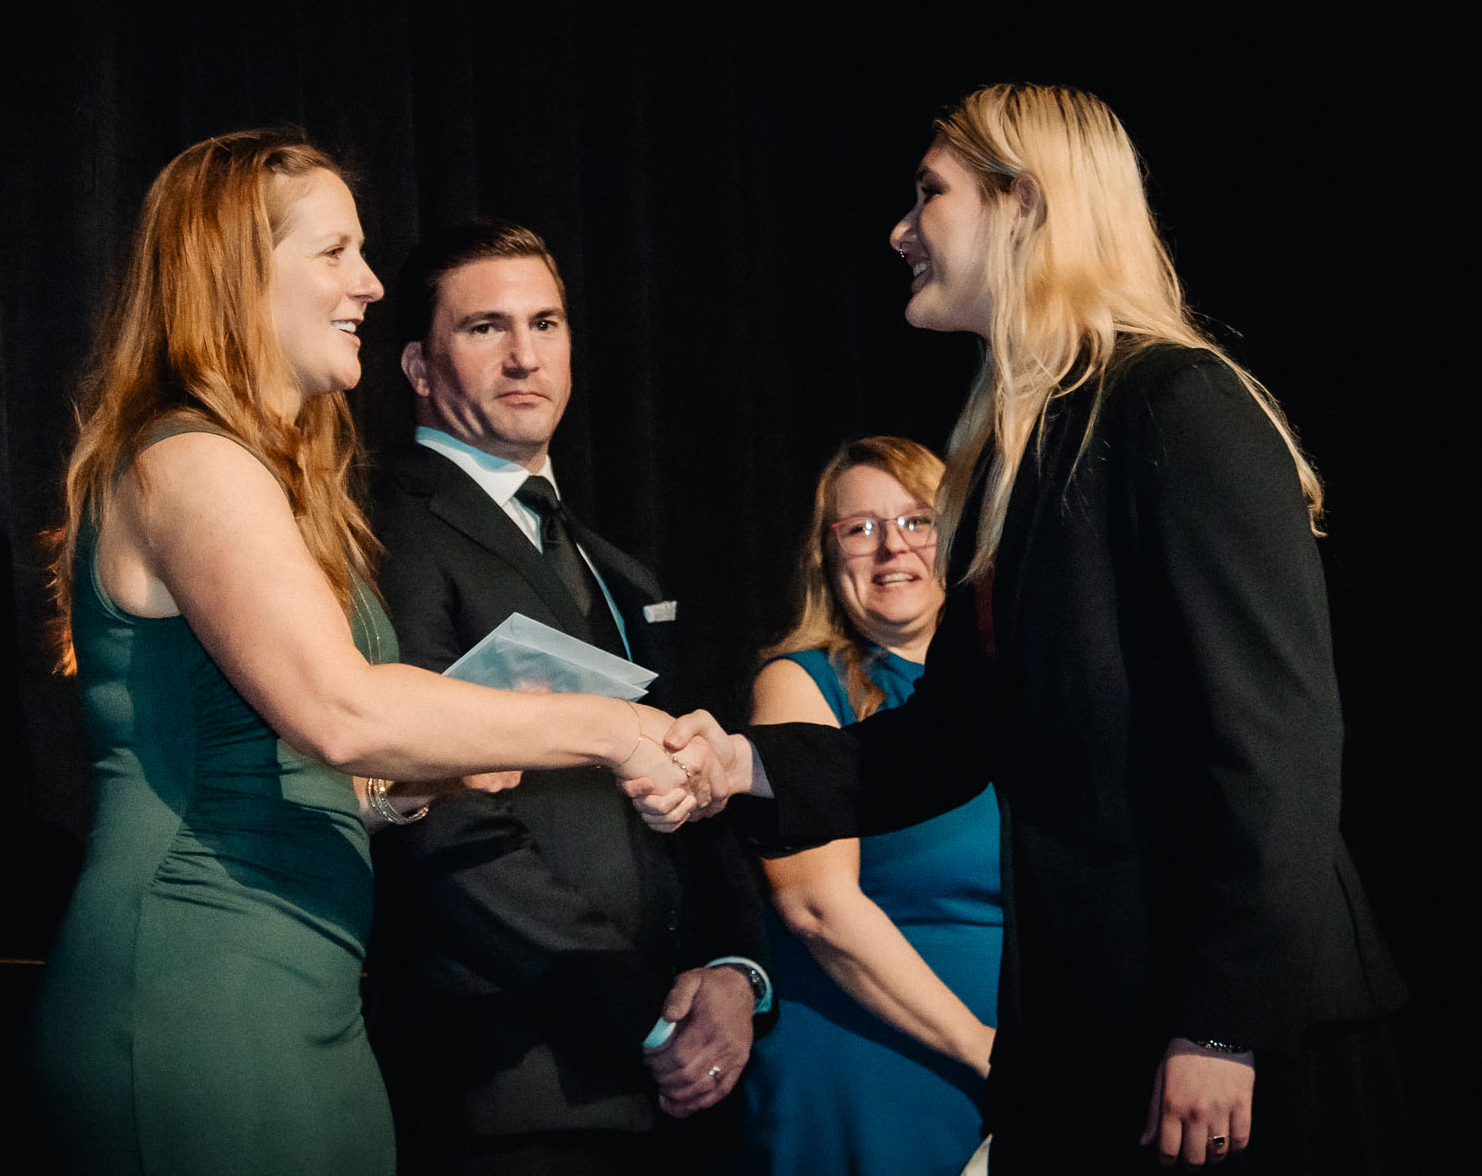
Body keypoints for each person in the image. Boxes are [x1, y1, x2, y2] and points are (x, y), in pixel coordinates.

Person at [651, 85, 1409, 1172]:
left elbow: (1274, 744)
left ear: (1024, 204)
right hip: (1088, 1033)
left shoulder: (1177, 405)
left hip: (1225, 1040)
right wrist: (742, 767)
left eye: (928, 193)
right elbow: (942, 738)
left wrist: (1220, 1021)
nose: (899, 231)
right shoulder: (1012, 459)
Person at [31, 134, 707, 1176]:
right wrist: (614, 729)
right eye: (335, 252)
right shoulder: (189, 460)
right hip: (200, 978)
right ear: (236, 272)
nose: (371, 283)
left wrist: (409, 788)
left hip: (307, 984)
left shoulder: (264, 476)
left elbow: (328, 766)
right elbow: (340, 712)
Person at [366, 219, 773, 1175]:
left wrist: (733, 972)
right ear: (418, 366)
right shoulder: (385, 530)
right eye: (487, 327)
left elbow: (695, 780)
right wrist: (643, 1012)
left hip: (673, 1083)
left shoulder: (618, 567)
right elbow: (432, 812)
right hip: (513, 1077)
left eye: (545, 323)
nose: (525, 355)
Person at [736, 436, 1002, 1176]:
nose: (893, 547)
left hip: (1026, 1062)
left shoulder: (1008, 686)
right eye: (860, 528)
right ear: (826, 557)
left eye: (919, 520)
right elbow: (818, 906)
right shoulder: (800, 683)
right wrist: (985, 1049)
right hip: (879, 1066)